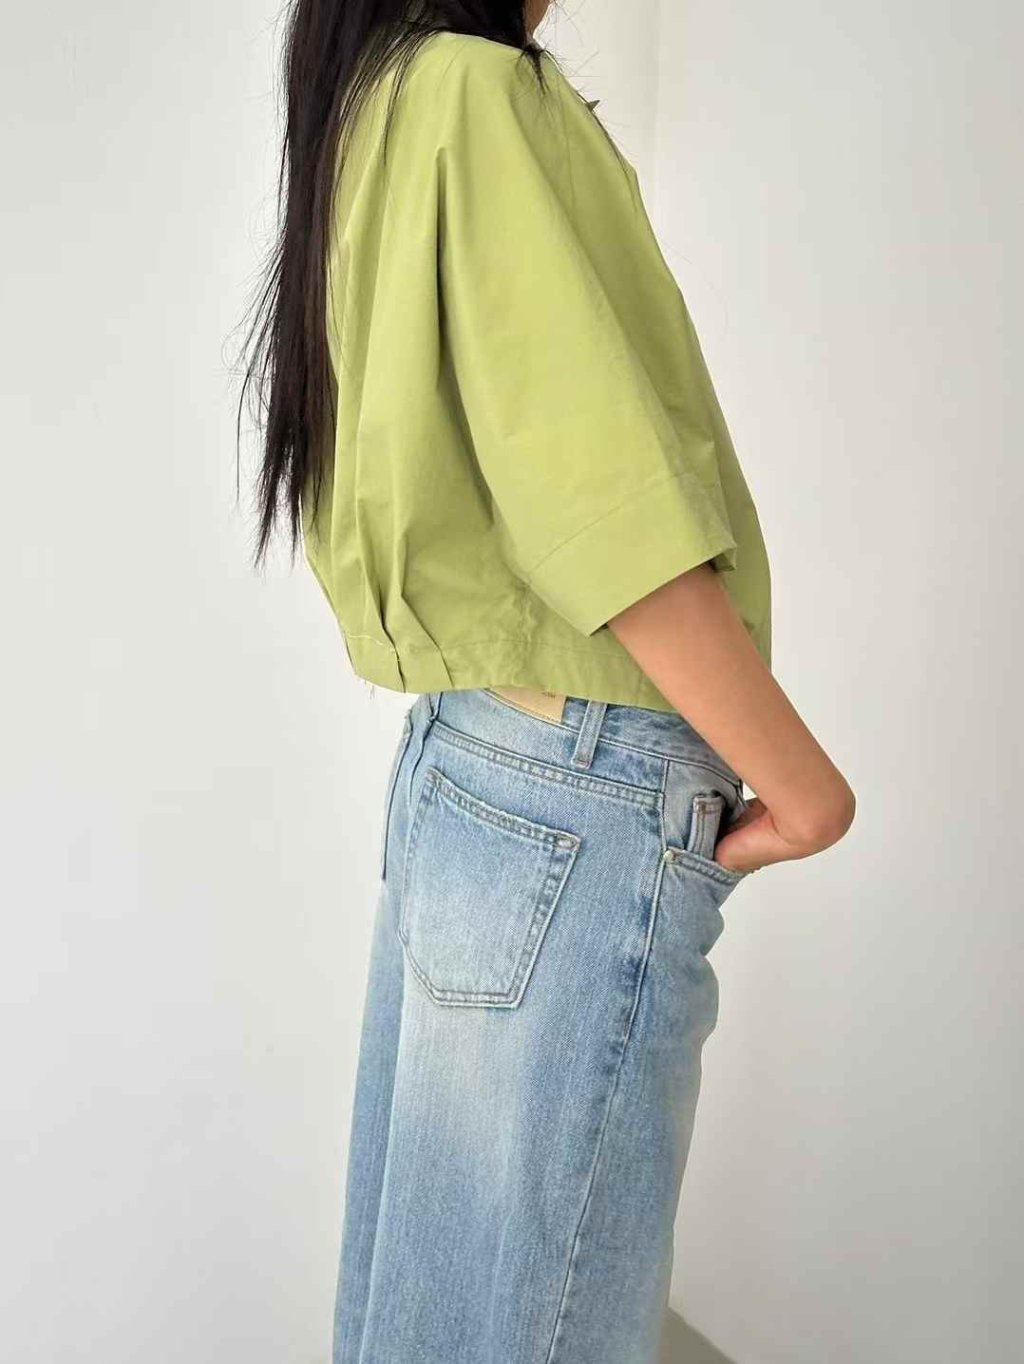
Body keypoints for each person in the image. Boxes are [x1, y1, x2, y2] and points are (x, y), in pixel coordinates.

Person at [238, 3, 856, 1361]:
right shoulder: (477, 93)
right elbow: (603, 524)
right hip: (582, 785)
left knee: (434, 1322)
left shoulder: (377, 93)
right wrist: (809, 791)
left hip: (472, 765)